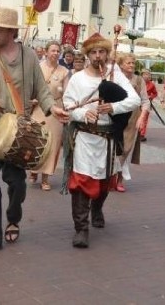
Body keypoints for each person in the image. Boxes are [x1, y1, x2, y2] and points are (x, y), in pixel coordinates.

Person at [0, 7, 68, 256]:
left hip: (20, 133)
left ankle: (13, 217)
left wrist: (52, 109)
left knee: (17, 183)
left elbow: (41, 90)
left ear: (12, 31)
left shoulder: (29, 57)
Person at [62, 33, 141, 248]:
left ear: (107, 54)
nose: (98, 56)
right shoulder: (78, 78)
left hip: (108, 138)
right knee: (81, 181)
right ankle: (81, 228)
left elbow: (134, 100)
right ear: (87, 55)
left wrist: (114, 107)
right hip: (85, 138)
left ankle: (96, 209)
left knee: (104, 181)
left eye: (102, 52)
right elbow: (68, 103)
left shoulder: (116, 75)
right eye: (94, 52)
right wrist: (81, 114)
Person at [29, 41, 68, 191]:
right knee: (36, 141)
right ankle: (33, 170)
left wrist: (67, 108)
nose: (55, 53)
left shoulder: (64, 71)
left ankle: (45, 177)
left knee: (53, 144)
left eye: (58, 51)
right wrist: (31, 100)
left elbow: (67, 92)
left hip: (56, 109)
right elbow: (31, 86)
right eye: (53, 50)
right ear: (46, 52)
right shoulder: (38, 67)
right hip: (39, 107)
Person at [115, 52, 149, 192]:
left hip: (132, 118)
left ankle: (119, 179)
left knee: (126, 149)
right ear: (121, 64)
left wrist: (142, 117)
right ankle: (111, 177)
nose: (131, 65)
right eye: (128, 63)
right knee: (113, 149)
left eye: (133, 63)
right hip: (116, 116)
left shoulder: (139, 80)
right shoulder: (115, 78)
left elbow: (145, 101)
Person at [139, 71, 159, 141]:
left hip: (146, 104)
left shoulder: (152, 85)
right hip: (137, 104)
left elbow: (155, 93)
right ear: (142, 75)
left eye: (148, 75)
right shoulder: (138, 82)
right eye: (145, 74)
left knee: (144, 119)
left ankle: (142, 134)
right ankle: (135, 133)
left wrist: (151, 96)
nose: (147, 76)